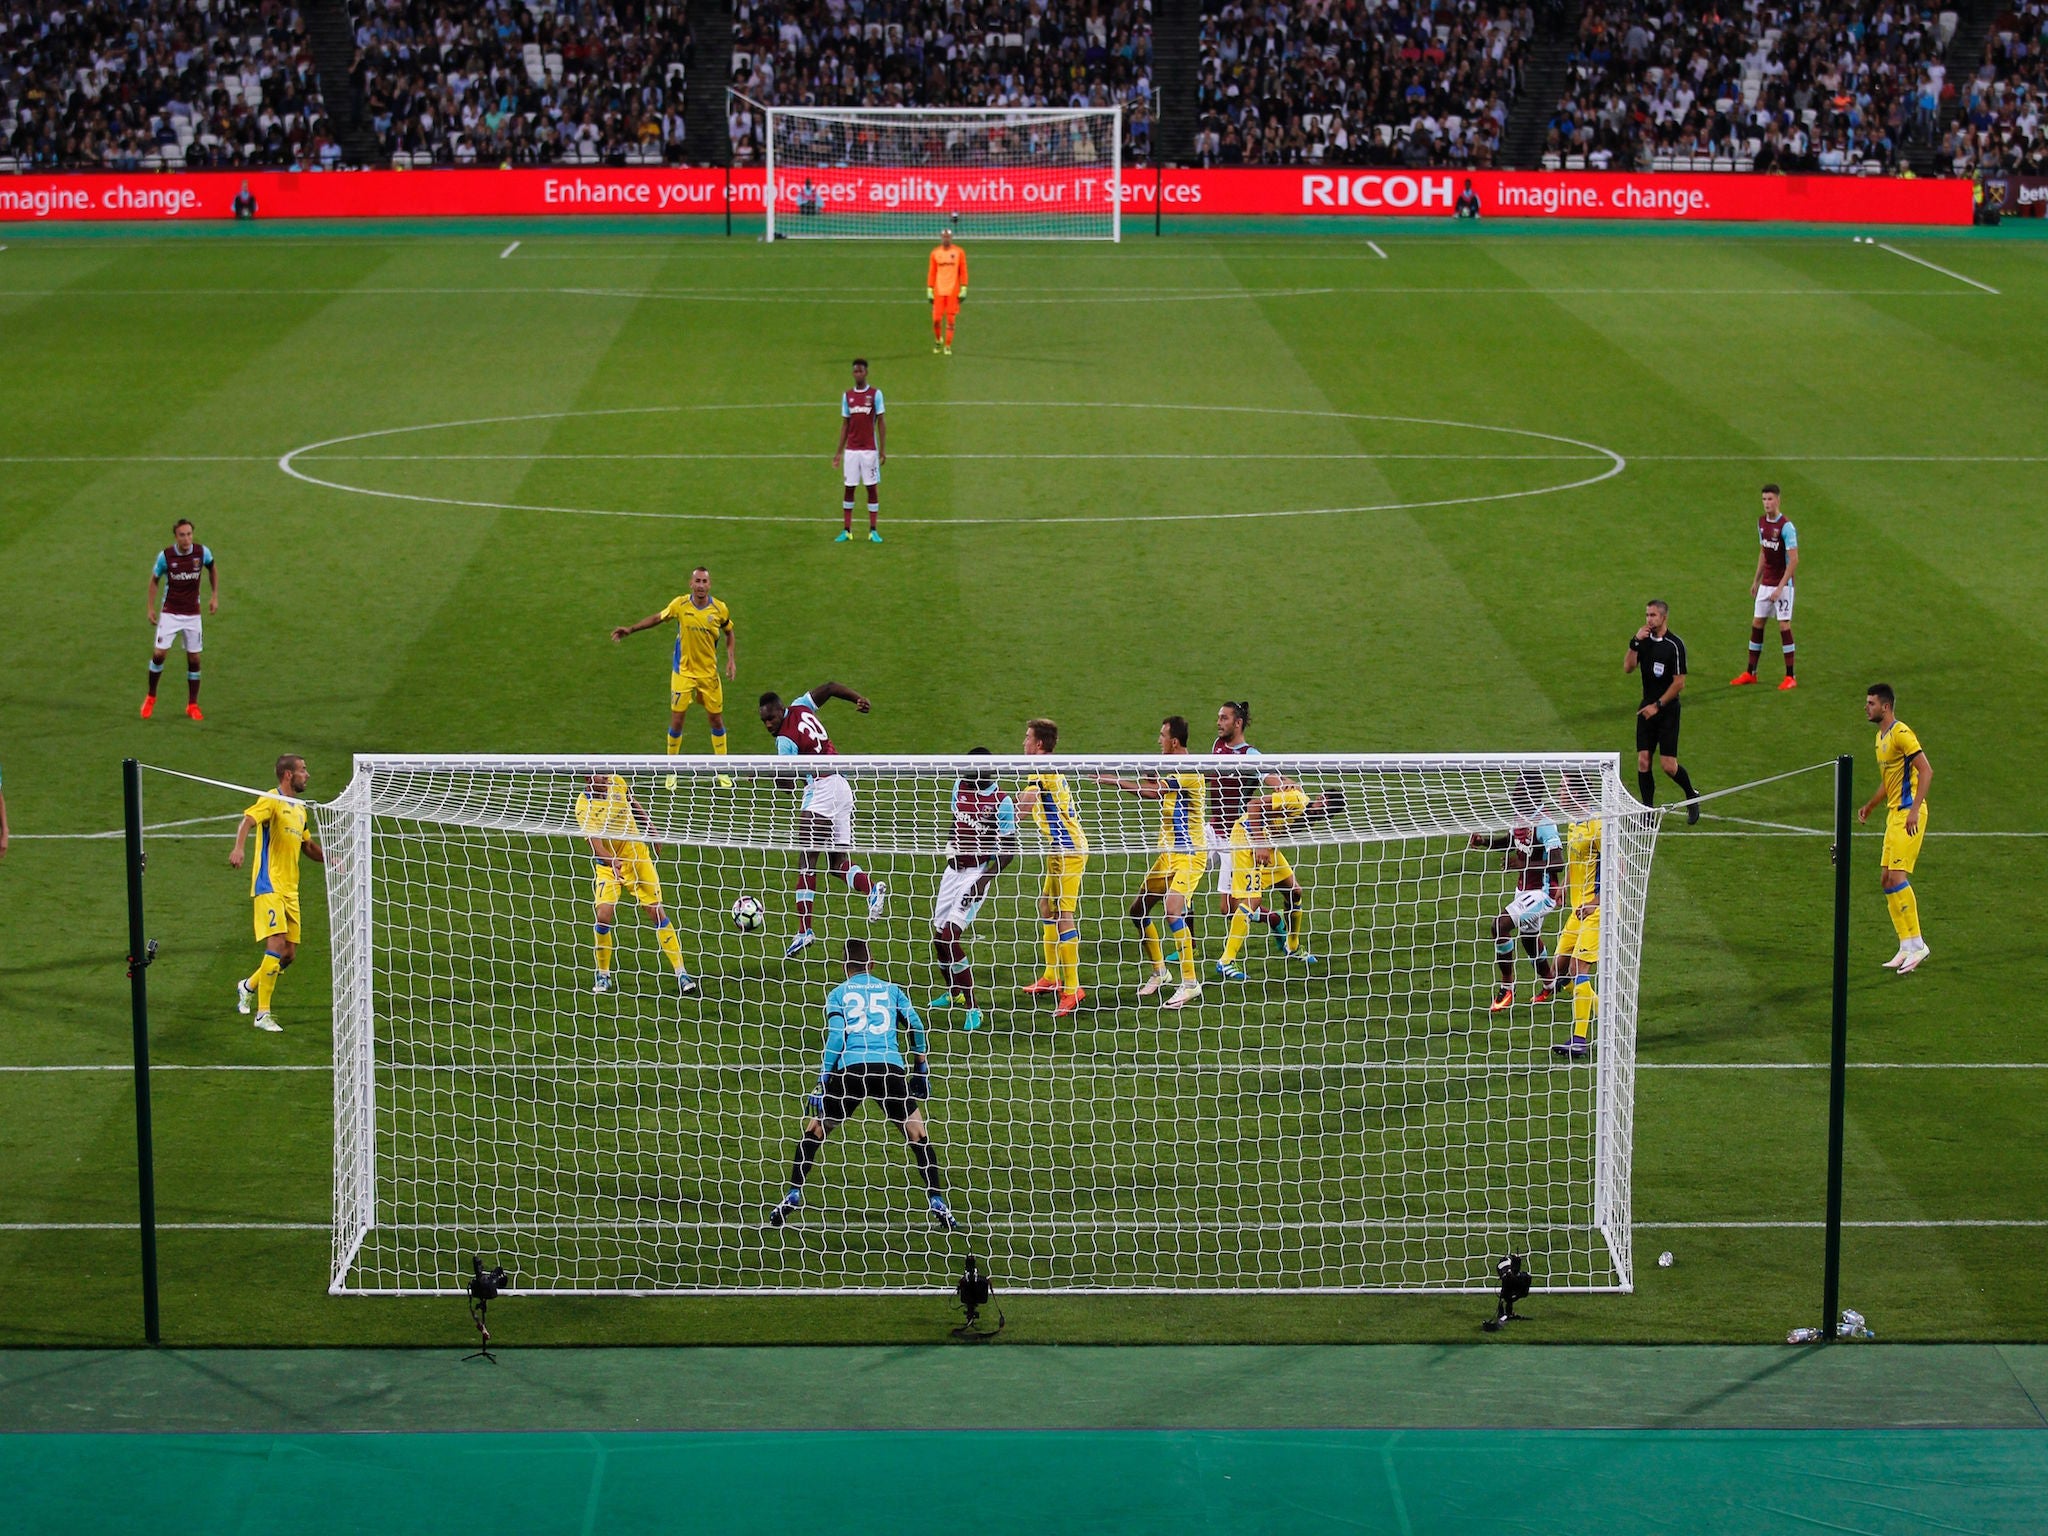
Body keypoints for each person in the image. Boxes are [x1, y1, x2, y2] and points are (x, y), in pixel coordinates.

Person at [766, 938, 955, 1231]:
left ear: (845, 966)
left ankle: (793, 1193)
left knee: (815, 1129)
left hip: (851, 1069)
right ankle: (936, 1198)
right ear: (872, 964)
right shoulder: (892, 990)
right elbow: (916, 1025)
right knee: (917, 1132)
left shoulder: (838, 993)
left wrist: (822, 1079)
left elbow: (837, 1038)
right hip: (889, 1069)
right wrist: (920, 1069)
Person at [759, 682, 886, 957]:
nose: (768, 724)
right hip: (842, 785)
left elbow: (786, 785)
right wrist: (858, 697)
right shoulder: (801, 705)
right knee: (837, 863)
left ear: (781, 711)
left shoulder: (784, 741)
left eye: (771, 718)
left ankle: (804, 931)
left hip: (822, 789)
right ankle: (872, 888)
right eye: (764, 721)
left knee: (807, 863)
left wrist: (762, 772)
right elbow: (828, 687)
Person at [1097, 717, 1209, 1010]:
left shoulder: (1188, 770)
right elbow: (1155, 782)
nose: (1158, 740)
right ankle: (1160, 971)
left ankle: (1190, 983)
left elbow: (1153, 792)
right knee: (1138, 911)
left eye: (1162, 736)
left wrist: (1114, 780)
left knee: (1173, 910)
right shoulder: (1171, 767)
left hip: (1190, 855)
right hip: (1169, 855)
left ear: (1174, 741)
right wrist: (1146, 766)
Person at [574, 771, 699, 996]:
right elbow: (595, 845)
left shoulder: (617, 782)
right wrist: (612, 862)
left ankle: (681, 973)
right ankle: (603, 975)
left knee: (656, 912)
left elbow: (632, 802)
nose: (607, 779)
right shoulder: (583, 806)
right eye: (600, 776)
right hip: (608, 866)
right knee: (603, 914)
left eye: (606, 774)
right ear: (588, 779)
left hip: (637, 857)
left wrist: (651, 828)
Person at [610, 566, 736, 783]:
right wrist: (631, 629)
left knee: (715, 719)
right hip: (683, 673)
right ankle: (671, 769)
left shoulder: (719, 609)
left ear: (710, 584)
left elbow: (729, 632)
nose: (700, 586)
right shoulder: (680, 605)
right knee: (677, 721)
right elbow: (657, 618)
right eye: (697, 581)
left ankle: (722, 769)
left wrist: (731, 658)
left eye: (704, 581)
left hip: (708, 674)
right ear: (691, 583)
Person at [230, 755, 328, 1033]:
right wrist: (239, 848)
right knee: (276, 943)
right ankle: (263, 1014)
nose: (307, 775)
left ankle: (248, 986)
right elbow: (248, 820)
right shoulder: (271, 799)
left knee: (288, 956)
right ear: (288, 775)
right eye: (302, 770)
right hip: (269, 884)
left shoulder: (299, 809)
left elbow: (307, 846)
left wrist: (331, 858)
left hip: (291, 890)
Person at [930, 748, 1019, 1033]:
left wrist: (983, 881)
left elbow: (1009, 851)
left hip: (976, 874)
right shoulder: (960, 786)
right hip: (952, 871)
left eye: (969, 768)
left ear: (984, 770)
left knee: (950, 936)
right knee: (938, 940)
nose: (963, 772)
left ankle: (973, 1007)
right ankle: (954, 992)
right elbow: (955, 825)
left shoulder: (1001, 802)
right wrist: (949, 850)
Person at [1217, 780, 1340, 976]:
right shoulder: (1296, 799)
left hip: (1266, 843)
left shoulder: (1309, 818)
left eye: (1329, 812)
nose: (1323, 811)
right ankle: (1226, 961)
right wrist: (1260, 844)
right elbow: (1254, 805)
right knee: (1252, 900)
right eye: (1324, 804)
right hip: (1247, 838)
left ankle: (1292, 946)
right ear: (1320, 798)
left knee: (1294, 892)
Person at [1472, 772, 1562, 1014]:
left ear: (1531, 794)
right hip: (1523, 890)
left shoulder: (1544, 823)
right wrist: (1485, 843)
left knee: (1499, 926)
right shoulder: (1520, 817)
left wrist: (1521, 865)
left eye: (1519, 788)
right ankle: (1550, 984)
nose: (1514, 792)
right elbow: (1511, 842)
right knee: (1529, 940)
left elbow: (1557, 863)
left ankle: (1507, 987)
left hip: (1543, 893)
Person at [1015, 717, 1087, 1018]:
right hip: (1059, 850)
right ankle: (1051, 975)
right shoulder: (1045, 766)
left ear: (1039, 744)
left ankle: (1072, 990)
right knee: (1046, 906)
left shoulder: (1042, 767)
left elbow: (1026, 804)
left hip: (1070, 851)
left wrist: (1007, 814)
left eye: (1027, 737)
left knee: (1064, 917)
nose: (1023, 742)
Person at [1859, 683, 1932, 973]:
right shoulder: (1880, 738)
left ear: (1885, 707)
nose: (1866, 707)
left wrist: (1915, 810)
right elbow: (1889, 781)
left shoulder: (1902, 733)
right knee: (1886, 879)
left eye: (1871, 703)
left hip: (1909, 815)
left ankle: (1918, 945)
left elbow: (1926, 770)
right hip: (1894, 815)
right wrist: (1871, 804)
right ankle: (1905, 944)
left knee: (1898, 875)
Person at [1625, 600, 1702, 821]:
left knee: (1668, 765)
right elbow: (1628, 668)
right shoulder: (1643, 641)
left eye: (1653, 615)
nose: (1649, 619)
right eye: (1647, 615)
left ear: (1664, 618)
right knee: (1643, 760)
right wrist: (1634, 643)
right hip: (1646, 708)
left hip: (1667, 710)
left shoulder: (1675, 645)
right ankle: (1647, 811)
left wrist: (1657, 706)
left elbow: (1679, 683)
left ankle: (1691, 794)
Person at [143, 518, 218, 720]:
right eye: (182, 535)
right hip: (170, 612)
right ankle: (151, 697)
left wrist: (214, 596)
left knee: (194, 659)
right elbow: (154, 580)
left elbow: (212, 568)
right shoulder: (165, 556)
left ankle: (192, 705)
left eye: (189, 534)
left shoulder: (202, 553)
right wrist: (150, 607)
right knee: (159, 654)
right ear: (176, 537)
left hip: (193, 613)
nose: (187, 538)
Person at [1551, 772, 1603, 1059]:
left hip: (1597, 909)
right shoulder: (1573, 822)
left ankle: (1579, 1040)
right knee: (1560, 968)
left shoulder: (1598, 824)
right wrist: (1564, 886)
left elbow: (1616, 868)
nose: (1559, 791)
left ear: (1575, 792)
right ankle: (1608, 1016)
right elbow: (1575, 858)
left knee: (1579, 970)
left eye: (1562, 787)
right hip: (1576, 908)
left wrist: (1596, 902)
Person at [1731, 483, 1799, 690]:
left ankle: (1790, 676)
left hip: (1783, 584)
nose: (1767, 503)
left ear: (1778, 500)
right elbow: (1763, 552)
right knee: (1757, 623)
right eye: (1764, 499)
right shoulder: (1761, 523)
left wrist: (1780, 587)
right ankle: (1751, 672)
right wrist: (1756, 579)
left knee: (1783, 625)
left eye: (1770, 499)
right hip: (1766, 583)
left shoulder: (1786, 526)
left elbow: (1794, 560)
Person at [833, 358, 885, 544]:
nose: (858, 374)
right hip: (852, 451)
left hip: (869, 450)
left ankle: (873, 530)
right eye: (855, 371)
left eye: (861, 371)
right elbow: (845, 424)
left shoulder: (876, 394)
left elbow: (881, 422)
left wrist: (882, 450)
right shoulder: (847, 396)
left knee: (872, 488)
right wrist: (838, 452)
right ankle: (847, 530)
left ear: (866, 372)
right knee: (849, 488)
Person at [927, 229, 968, 355]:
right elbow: (932, 272)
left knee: (951, 320)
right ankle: (938, 339)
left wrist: (964, 287)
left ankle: (948, 346)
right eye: (944, 237)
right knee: (936, 320)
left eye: (948, 237)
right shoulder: (935, 253)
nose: (946, 239)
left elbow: (963, 270)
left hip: (952, 291)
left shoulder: (959, 252)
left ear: (951, 238)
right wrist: (929, 288)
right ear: (941, 238)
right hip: (939, 290)